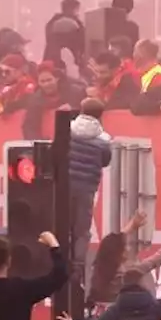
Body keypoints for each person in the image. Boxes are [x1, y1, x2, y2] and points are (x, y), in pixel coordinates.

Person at [67, 99, 113, 275]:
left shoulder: (67, 130)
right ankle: (78, 265)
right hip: (87, 188)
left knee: (63, 223)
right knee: (82, 228)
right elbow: (106, 161)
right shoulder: (103, 140)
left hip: (66, 184)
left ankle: (61, 256)